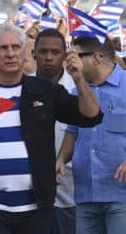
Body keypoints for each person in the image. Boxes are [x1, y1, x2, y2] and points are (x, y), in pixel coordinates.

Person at [0, 23, 102, 234]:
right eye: (2, 48)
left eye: (16, 47)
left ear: (25, 53)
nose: (10, 54)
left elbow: (91, 116)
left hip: (36, 211)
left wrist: (79, 79)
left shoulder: (45, 92)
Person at [56, 37, 126, 234]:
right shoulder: (78, 90)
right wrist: (61, 158)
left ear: (96, 57)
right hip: (85, 194)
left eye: (76, 55)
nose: (70, 61)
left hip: (124, 196)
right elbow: (73, 131)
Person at [33, 29, 76, 234]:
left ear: (65, 55)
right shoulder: (19, 88)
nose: (48, 57)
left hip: (69, 196)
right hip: (28, 199)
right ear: (33, 53)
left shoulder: (78, 90)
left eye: (55, 52)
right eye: (43, 51)